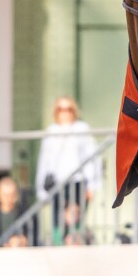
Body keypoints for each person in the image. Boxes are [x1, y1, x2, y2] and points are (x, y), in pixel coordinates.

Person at [35, 97, 102, 236]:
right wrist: (41, 188)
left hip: (78, 181)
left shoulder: (82, 128)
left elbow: (92, 157)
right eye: (60, 109)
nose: (64, 113)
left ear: (74, 112)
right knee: (57, 219)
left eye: (68, 109)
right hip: (57, 182)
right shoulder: (51, 131)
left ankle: (75, 245)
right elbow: (44, 162)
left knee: (76, 219)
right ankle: (58, 245)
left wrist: (92, 185)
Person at [0, 174, 33, 247]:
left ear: (16, 195)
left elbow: (31, 236)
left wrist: (21, 241)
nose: (8, 198)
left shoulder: (24, 214)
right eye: (5, 195)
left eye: (11, 194)